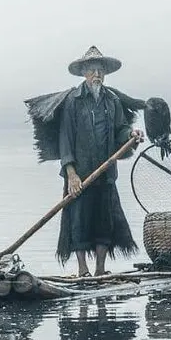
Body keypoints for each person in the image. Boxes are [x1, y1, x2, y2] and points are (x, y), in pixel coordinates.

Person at [57, 46, 144, 277]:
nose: (97, 75)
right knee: (79, 221)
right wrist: (71, 174)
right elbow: (65, 139)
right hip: (81, 174)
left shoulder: (112, 101)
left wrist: (131, 136)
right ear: (84, 73)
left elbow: (120, 129)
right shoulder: (73, 101)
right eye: (92, 70)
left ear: (105, 74)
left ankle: (100, 270)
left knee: (104, 221)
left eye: (100, 70)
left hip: (105, 174)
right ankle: (83, 270)